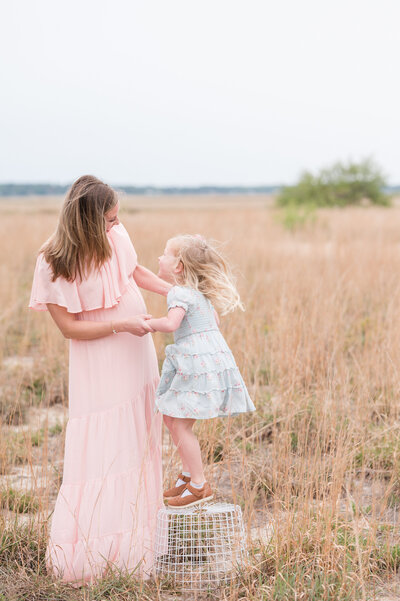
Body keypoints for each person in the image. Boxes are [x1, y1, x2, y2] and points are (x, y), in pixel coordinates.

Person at [29, 175, 170, 586]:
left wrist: (179, 293)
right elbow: (70, 328)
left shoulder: (117, 233)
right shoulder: (53, 261)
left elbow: (135, 271)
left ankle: (138, 539)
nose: (116, 225)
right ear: (87, 221)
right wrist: (121, 324)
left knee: (139, 437)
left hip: (135, 351)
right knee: (109, 445)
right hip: (102, 356)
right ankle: (100, 550)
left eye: (116, 218)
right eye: (109, 220)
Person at [146, 234, 256, 508]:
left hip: (195, 366)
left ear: (179, 266)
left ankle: (198, 484)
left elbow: (172, 324)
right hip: (209, 364)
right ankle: (186, 476)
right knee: (172, 418)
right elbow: (214, 321)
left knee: (179, 423)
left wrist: (148, 323)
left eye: (165, 254)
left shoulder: (180, 293)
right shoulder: (198, 294)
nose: (160, 258)